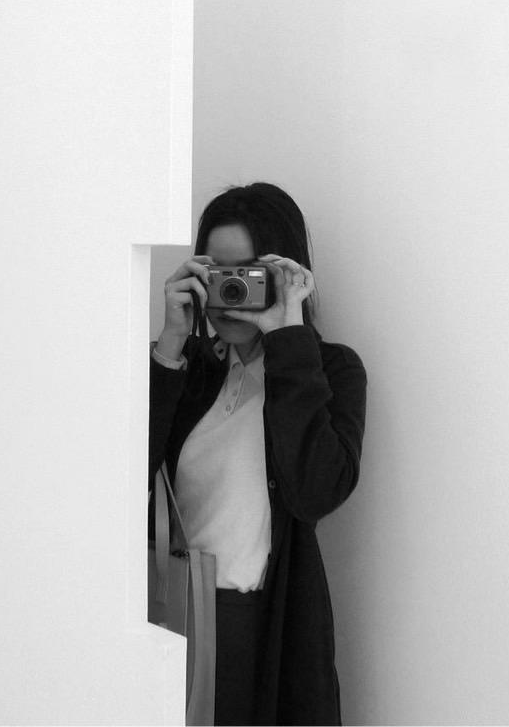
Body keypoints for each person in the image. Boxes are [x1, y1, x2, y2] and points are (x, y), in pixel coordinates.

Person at [150, 182, 367, 725]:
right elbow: (122, 480)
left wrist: (287, 337)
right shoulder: (188, 370)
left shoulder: (330, 371)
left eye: (247, 276)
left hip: (266, 628)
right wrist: (170, 345)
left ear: (284, 274)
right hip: (175, 617)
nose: (229, 293)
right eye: (216, 274)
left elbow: (316, 491)